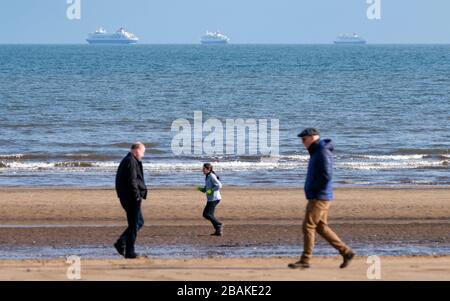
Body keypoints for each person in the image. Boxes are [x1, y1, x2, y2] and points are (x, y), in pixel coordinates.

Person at [289, 128, 355, 269]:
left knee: (308, 225)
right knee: (320, 227)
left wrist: (316, 190)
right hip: (319, 195)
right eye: (301, 139)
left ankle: (305, 260)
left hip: (319, 196)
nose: (302, 142)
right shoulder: (317, 150)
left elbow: (326, 174)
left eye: (304, 139)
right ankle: (346, 252)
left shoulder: (321, 151)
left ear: (313, 137)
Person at [114, 142, 148, 259]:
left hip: (128, 196)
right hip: (131, 197)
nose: (143, 155)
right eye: (143, 152)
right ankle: (129, 251)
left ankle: (122, 243)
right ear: (137, 150)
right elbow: (132, 180)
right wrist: (137, 196)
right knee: (134, 224)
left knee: (138, 222)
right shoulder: (130, 161)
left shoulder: (130, 160)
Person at [197, 163, 223, 236]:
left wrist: (211, 190)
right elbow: (206, 190)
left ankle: (218, 224)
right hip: (211, 199)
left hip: (214, 198)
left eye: (204, 169)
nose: (202, 170)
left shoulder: (211, 175)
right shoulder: (207, 176)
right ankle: (218, 231)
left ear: (208, 169)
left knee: (206, 214)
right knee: (210, 214)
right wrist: (199, 189)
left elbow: (219, 185)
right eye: (203, 168)